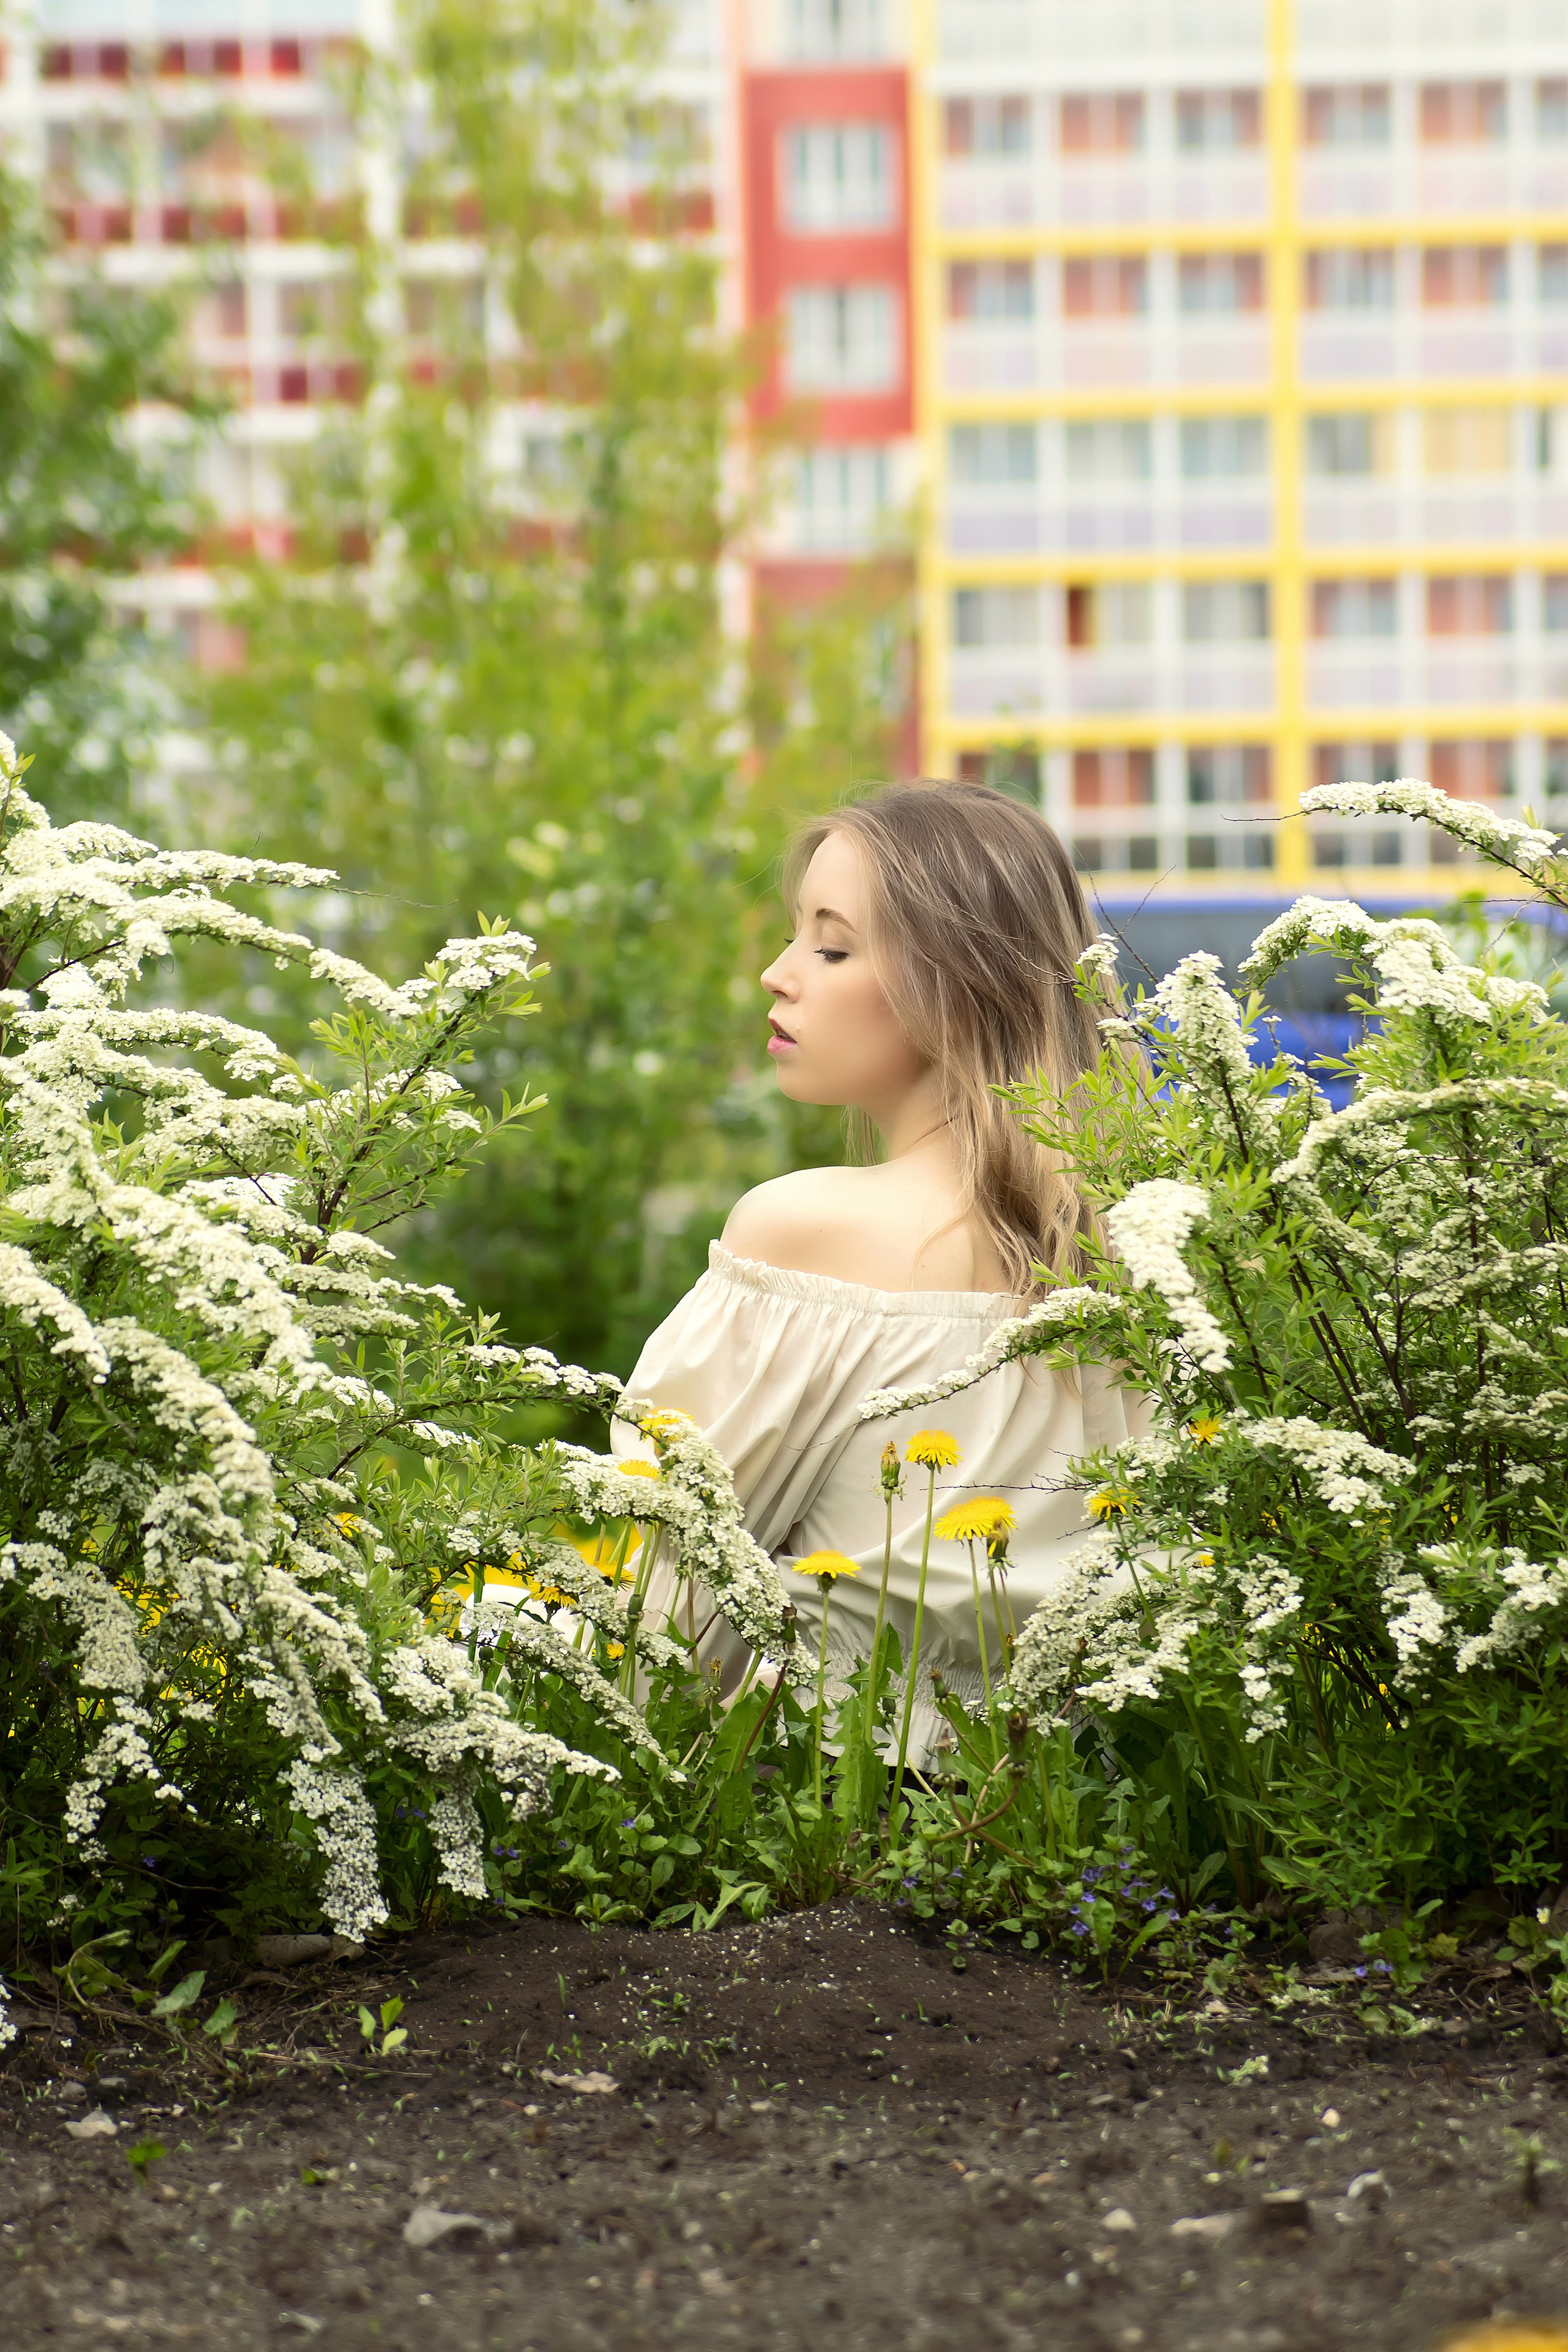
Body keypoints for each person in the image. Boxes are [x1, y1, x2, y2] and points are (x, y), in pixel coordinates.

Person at [611, 778, 1144, 1760]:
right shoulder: (1139, 1252)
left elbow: (656, 1606)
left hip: (815, 1834)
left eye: (831, 945)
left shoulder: (806, 1230)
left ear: (957, 982)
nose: (778, 974)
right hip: (1098, 1852)